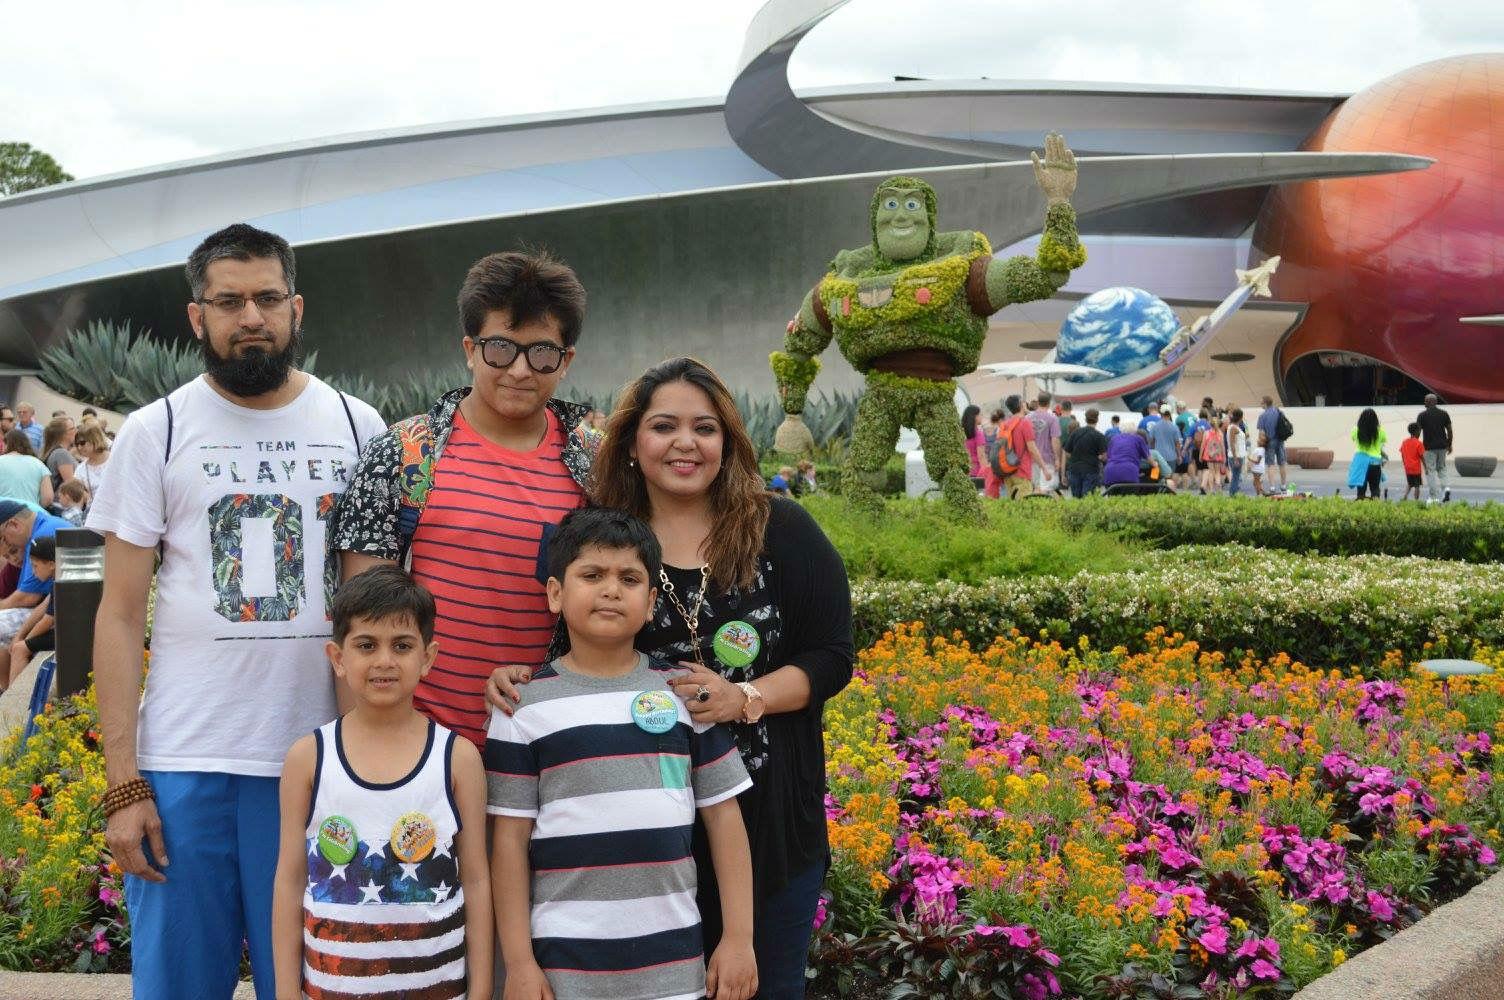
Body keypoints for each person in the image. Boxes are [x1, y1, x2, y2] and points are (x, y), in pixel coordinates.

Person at [488, 357, 853, 998]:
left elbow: (832, 656)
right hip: (640, 852)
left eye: (704, 428)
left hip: (766, 824)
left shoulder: (782, 529)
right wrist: (520, 676)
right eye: (664, 426)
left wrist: (748, 697)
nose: (685, 443)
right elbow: (568, 644)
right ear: (633, 442)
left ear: (728, 443)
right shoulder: (609, 542)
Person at [89, 222, 386, 1000]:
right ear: (198, 317)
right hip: (188, 766)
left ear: (297, 308)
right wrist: (125, 784)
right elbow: (119, 617)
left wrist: (372, 770)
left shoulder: (360, 427)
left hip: (319, 761)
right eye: (228, 301)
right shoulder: (158, 431)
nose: (249, 316)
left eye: (266, 298)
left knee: (321, 986)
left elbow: (376, 614)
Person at [488, 508, 758, 1000]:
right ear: (555, 592)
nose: (611, 589)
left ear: (652, 601)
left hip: (674, 968)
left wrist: (739, 939)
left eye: (629, 578)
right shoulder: (521, 709)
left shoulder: (685, 695)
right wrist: (519, 963)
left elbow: (724, 820)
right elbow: (508, 842)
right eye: (591, 574)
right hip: (564, 969)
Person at [333, 249, 594, 750]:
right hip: (427, 747)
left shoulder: (593, 467)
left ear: (566, 361)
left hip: (551, 742)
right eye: (501, 348)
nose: (519, 370)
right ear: (470, 348)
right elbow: (360, 619)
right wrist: (365, 752)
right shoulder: (405, 455)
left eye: (541, 353)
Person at [272, 566, 491, 1000]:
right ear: (338, 658)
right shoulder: (308, 759)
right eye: (366, 645)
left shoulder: (458, 759)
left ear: (427, 657)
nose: (384, 661)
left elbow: (478, 880)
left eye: (402, 645)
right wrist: (284, 989)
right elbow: (289, 880)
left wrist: (482, 990)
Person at [5, 536, 55, 693]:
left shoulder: (63, 582)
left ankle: (15, 700)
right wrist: (19, 635)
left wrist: (25, 642)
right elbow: (42, 607)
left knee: (20, 649)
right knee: (16, 644)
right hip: (62, 630)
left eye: (35, 566)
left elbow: (47, 620)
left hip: (73, 635)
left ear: (52, 564)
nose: (33, 572)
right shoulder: (56, 578)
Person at [0, 499, 68, 610]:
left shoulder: (39, 538)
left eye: (2, 539)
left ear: (14, 524)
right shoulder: (44, 525)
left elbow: (27, 598)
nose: (4, 545)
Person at [999, 393, 1042, 499]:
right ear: (1021, 405)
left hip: (1007, 471)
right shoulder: (1025, 423)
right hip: (1022, 471)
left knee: (1012, 507)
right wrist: (1043, 467)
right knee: (1023, 506)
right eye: (1023, 401)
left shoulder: (1005, 424)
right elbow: (1032, 449)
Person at [0, 430, 53, 508]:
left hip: (3, 512)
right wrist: (35, 507)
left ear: (7, 444)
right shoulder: (38, 464)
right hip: (30, 514)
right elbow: (48, 498)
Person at [1416, 393, 1453, 503]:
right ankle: (1446, 488)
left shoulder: (1422, 415)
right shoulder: (1444, 414)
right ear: (1436, 402)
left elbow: (1417, 432)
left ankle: (1434, 496)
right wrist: (1449, 444)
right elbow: (1449, 431)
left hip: (1428, 447)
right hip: (1442, 446)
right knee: (1442, 468)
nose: (1424, 403)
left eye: (1425, 401)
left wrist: (1415, 445)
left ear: (1427, 402)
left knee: (1430, 470)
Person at [1063, 407, 1107, 498]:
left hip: (1074, 470)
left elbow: (1066, 453)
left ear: (1085, 419)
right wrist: (1096, 457)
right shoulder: (1099, 436)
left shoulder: (1075, 433)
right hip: (1091, 470)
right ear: (1097, 419)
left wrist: (1076, 457)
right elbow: (1104, 457)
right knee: (1087, 499)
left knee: (1076, 499)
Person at [1027, 392, 1061, 494]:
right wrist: (1057, 458)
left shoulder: (1027, 418)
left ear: (1038, 402)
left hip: (1031, 459)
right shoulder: (1053, 418)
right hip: (1047, 459)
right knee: (1046, 490)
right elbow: (1055, 440)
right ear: (1049, 403)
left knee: (1034, 489)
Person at [1350, 407, 1387, 500]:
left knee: (1361, 490)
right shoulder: (1381, 431)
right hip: (1375, 463)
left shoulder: (1355, 430)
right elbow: (1381, 445)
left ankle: (1361, 508)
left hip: (1361, 463)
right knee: (1375, 489)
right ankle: (1375, 508)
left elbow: (1354, 439)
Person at [1256, 395, 1289, 493]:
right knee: (1282, 463)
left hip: (1269, 441)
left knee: (1270, 464)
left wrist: (1260, 443)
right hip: (1280, 440)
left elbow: (1261, 433)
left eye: (1261, 403)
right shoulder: (1279, 412)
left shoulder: (1262, 416)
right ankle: (1283, 485)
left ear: (1265, 404)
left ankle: (1272, 487)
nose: (1260, 404)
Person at [72, 423, 111, 499]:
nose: (79, 447)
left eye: (82, 443)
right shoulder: (80, 469)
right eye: (77, 444)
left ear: (95, 439)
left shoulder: (115, 459)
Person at [41, 416, 77, 493]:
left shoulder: (54, 451)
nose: (76, 431)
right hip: (60, 503)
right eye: (72, 428)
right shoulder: (61, 453)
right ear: (63, 434)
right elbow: (71, 485)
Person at [1148, 407, 1181, 485]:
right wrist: (1179, 456)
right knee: (1169, 477)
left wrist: (1152, 451)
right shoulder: (1174, 427)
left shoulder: (1155, 426)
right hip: (1171, 457)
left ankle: (1156, 493)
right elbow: (1177, 443)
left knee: (1155, 477)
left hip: (1157, 457)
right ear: (1170, 414)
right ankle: (1169, 493)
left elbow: (1151, 441)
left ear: (1161, 414)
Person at [1400, 422, 1426, 502]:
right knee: (1417, 485)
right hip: (1416, 468)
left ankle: (1405, 497)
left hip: (1408, 468)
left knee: (1410, 483)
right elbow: (1422, 457)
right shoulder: (1419, 443)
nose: (1420, 433)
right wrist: (1426, 467)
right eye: (1419, 431)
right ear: (1416, 431)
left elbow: (1402, 454)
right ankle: (1416, 501)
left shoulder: (1404, 442)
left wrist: (1405, 463)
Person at [1225, 406, 1248, 496]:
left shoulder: (1233, 427)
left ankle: (1233, 493)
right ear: (1241, 417)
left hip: (1238, 455)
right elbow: (1232, 443)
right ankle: (1232, 494)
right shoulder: (1233, 428)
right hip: (1236, 455)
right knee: (1235, 477)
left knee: (1236, 476)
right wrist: (1235, 458)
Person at [961, 403, 986, 481]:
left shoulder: (961, 433)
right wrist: (986, 473)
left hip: (965, 471)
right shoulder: (978, 434)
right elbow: (981, 456)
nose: (981, 417)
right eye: (980, 415)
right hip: (978, 473)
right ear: (974, 417)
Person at [1249, 431, 1268, 497]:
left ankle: (1259, 494)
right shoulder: (1259, 449)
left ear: (1263, 443)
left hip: (1258, 469)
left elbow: (1258, 461)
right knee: (1255, 482)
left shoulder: (1261, 450)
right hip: (1256, 469)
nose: (1258, 440)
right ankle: (1262, 492)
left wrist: (1250, 459)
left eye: (1260, 440)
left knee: (1256, 482)